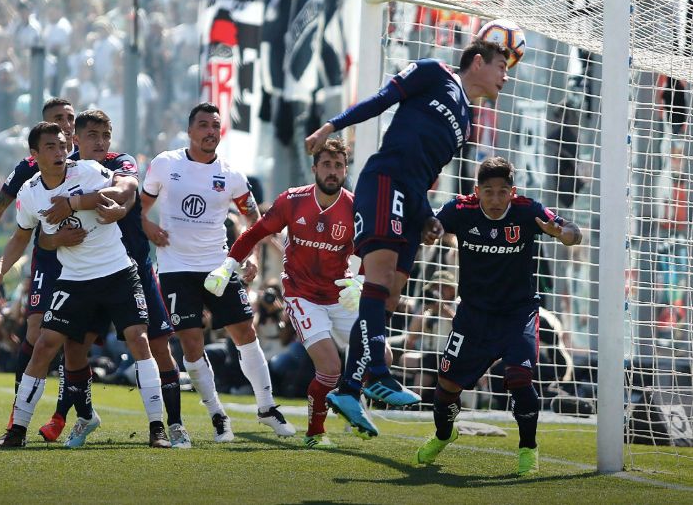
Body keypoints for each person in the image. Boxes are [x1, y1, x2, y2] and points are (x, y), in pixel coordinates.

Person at [304, 38, 510, 437]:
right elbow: (381, 100)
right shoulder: (434, 72)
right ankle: (379, 374)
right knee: (378, 278)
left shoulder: (467, 121)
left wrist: (427, 216)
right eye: (501, 66)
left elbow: (426, 171)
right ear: (478, 62)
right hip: (385, 181)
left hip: (413, 200)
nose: (505, 76)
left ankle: (349, 390)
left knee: (391, 296)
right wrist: (332, 126)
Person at [0, 122, 169, 449]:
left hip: (117, 271)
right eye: (51, 147)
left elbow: (124, 189)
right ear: (34, 154)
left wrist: (76, 203)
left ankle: (158, 428)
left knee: (139, 340)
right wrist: (0, 268)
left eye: (62, 145)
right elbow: (23, 237)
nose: (60, 152)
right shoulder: (29, 192)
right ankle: (17, 431)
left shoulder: (88, 171)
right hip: (74, 279)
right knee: (45, 345)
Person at [414, 156, 582, 476]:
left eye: (502, 192)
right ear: (477, 191)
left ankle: (528, 449)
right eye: (488, 192)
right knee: (446, 386)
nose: (495, 199)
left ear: (512, 192)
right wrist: (428, 232)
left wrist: (562, 234)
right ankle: (444, 434)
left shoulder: (528, 210)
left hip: (517, 314)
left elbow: (575, 233)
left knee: (519, 377)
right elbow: (431, 227)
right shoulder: (459, 210)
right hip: (473, 316)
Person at [142, 102, 295, 442]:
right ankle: (217, 415)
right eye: (203, 125)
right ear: (189, 131)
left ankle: (267, 407)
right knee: (191, 342)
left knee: (245, 332)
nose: (210, 131)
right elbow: (140, 207)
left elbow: (255, 219)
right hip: (176, 268)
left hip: (218, 267)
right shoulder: (165, 164)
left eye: (215, 125)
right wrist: (148, 227)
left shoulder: (231, 176)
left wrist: (250, 254)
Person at [38, 109, 185, 447]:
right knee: (74, 348)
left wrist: (89, 203)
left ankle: (172, 424)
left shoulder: (121, 161)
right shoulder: (65, 170)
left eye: (105, 135)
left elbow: (127, 191)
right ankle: (79, 417)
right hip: (87, 275)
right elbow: (43, 228)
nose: (101, 142)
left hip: (132, 270)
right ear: (76, 139)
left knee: (154, 344)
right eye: (93, 136)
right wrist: (58, 236)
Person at [208, 137, 360, 448]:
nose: (332, 171)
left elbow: (372, 249)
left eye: (338, 165)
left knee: (380, 355)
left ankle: (349, 402)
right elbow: (255, 233)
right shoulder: (292, 200)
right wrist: (227, 266)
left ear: (345, 170)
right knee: (330, 368)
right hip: (302, 296)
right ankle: (316, 433)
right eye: (326, 164)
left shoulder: (356, 208)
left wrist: (362, 281)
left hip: (340, 295)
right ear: (314, 168)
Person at [0, 98, 80, 443]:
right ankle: (20, 417)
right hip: (49, 259)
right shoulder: (29, 168)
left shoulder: (88, 162)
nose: (65, 125)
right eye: (57, 119)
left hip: (91, 262)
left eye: (70, 118)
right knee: (36, 333)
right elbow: (1, 212)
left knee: (75, 343)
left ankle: (66, 416)